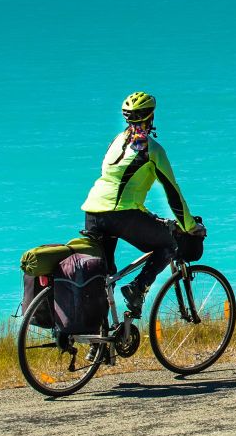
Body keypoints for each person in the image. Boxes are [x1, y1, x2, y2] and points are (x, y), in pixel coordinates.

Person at [81, 91, 197, 318]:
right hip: (120, 215)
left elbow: (116, 183)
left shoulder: (116, 142)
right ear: (151, 117)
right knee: (169, 243)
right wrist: (190, 226)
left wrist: (146, 214)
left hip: (93, 211)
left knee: (103, 277)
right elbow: (173, 194)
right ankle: (138, 288)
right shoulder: (153, 151)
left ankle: (101, 334)